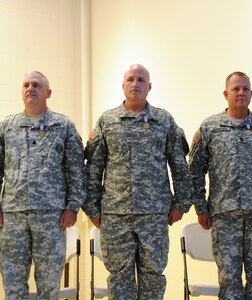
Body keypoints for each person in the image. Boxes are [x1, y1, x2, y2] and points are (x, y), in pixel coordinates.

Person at [82, 64, 193, 299]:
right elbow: (94, 168)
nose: (135, 84)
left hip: (154, 214)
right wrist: (92, 208)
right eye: (130, 79)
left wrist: (181, 204)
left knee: (153, 277)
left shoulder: (163, 121)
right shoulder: (107, 121)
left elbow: (179, 166)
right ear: (123, 85)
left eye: (141, 80)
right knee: (119, 278)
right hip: (115, 214)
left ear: (149, 87)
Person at [189, 71, 252, 300]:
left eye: (245, 89)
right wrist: (201, 207)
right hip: (224, 214)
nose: (241, 93)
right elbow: (195, 171)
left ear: (251, 94)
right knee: (228, 280)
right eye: (236, 89)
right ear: (226, 94)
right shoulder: (210, 128)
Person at [0, 71, 85, 299]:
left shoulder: (63, 126)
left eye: (36, 85)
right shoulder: (7, 127)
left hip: (51, 215)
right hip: (13, 215)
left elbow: (76, 170)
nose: (31, 88)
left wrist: (73, 206)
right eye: (26, 85)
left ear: (48, 92)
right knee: (13, 283)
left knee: (49, 285)